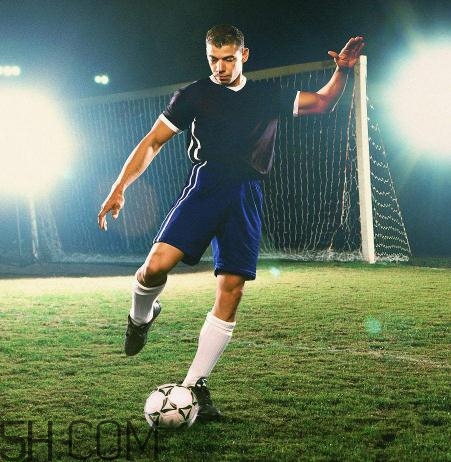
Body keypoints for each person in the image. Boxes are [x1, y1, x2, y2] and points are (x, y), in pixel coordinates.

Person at [98, 24, 364, 421]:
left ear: (244, 55)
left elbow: (323, 102)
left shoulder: (266, 95)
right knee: (154, 267)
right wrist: (120, 187)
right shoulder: (193, 95)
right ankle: (140, 318)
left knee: (232, 288)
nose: (219, 67)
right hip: (206, 187)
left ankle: (195, 387)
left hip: (246, 195)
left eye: (227, 59)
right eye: (213, 59)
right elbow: (153, 141)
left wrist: (342, 70)